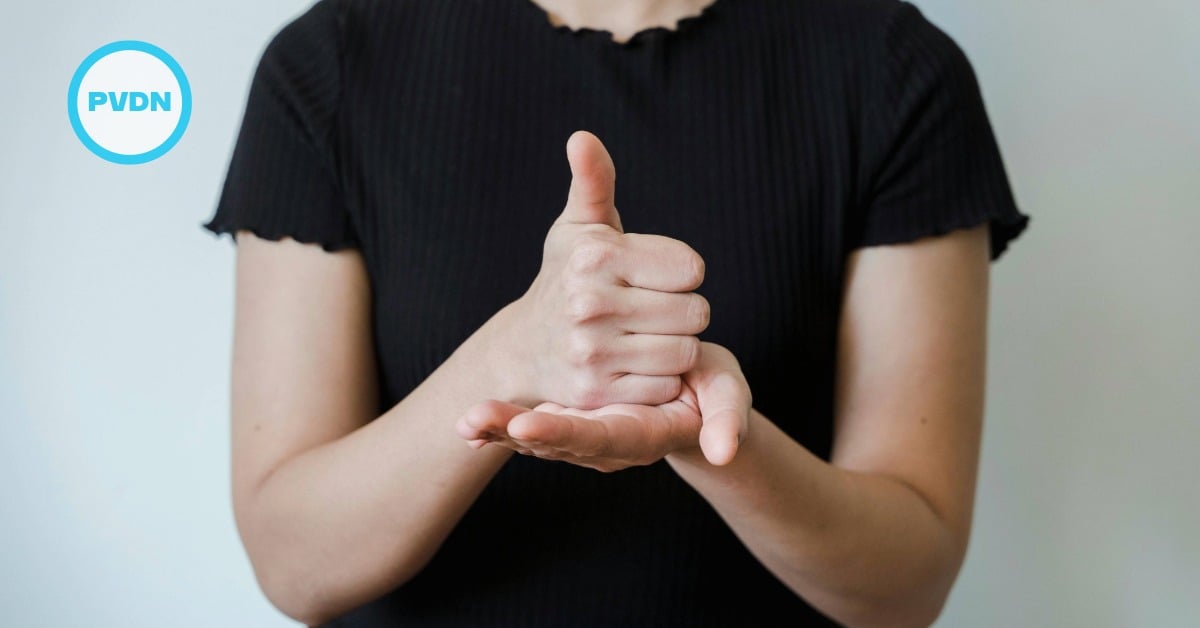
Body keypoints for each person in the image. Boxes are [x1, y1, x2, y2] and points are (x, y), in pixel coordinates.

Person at [202, 0, 1029, 625]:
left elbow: (907, 584)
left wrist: (713, 439)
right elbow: (292, 563)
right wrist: (510, 362)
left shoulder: (893, 70)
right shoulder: (332, 64)